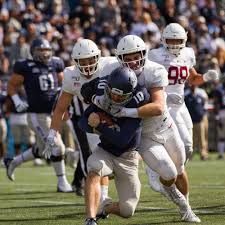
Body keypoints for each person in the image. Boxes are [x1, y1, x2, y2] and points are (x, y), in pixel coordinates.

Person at [91, 34, 200, 222]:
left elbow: (157, 108)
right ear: (120, 59)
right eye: (129, 58)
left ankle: (185, 206)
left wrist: (124, 112)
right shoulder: (111, 69)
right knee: (169, 172)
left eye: (136, 56)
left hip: (166, 126)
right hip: (145, 134)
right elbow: (94, 81)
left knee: (180, 167)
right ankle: (181, 202)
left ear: (144, 53)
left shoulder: (154, 70)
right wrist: (96, 98)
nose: (133, 61)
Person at [147, 23, 219, 192]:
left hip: (180, 105)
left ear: (185, 39)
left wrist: (206, 77)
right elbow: (146, 79)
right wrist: (160, 94)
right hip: (164, 105)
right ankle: (157, 170)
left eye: (178, 40)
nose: (174, 44)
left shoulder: (187, 53)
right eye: (171, 40)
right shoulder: (155, 55)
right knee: (183, 145)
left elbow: (193, 79)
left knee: (188, 147)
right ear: (164, 39)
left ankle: (165, 171)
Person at [42, 39, 118, 198]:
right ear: (75, 61)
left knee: (119, 164)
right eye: (83, 61)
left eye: (91, 59)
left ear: (98, 56)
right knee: (99, 163)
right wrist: (52, 133)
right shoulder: (71, 75)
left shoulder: (111, 64)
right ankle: (103, 197)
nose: (88, 65)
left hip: (117, 118)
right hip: (92, 124)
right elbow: (61, 108)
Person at [80, 67, 149, 225]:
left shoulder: (135, 104)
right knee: (94, 170)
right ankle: (90, 219)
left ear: (130, 95)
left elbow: (122, 140)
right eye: (114, 93)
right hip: (106, 152)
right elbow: (82, 122)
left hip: (128, 158)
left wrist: (100, 127)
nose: (116, 98)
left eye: (121, 95)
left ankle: (103, 208)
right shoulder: (103, 98)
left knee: (127, 210)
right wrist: (92, 122)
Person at [4, 38, 72, 192]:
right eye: (40, 50)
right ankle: (62, 182)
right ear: (33, 51)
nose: (44, 53)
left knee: (42, 150)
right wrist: (15, 99)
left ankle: (13, 162)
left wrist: (65, 105)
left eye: (46, 50)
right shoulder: (25, 66)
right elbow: (12, 85)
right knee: (58, 147)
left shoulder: (56, 63)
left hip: (53, 113)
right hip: (36, 114)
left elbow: (64, 85)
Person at [185, 85, 209, 160]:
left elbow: (204, 105)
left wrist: (203, 115)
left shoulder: (200, 94)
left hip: (200, 120)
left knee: (202, 138)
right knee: (191, 139)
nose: (193, 86)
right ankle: (190, 155)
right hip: (190, 121)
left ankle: (203, 154)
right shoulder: (186, 95)